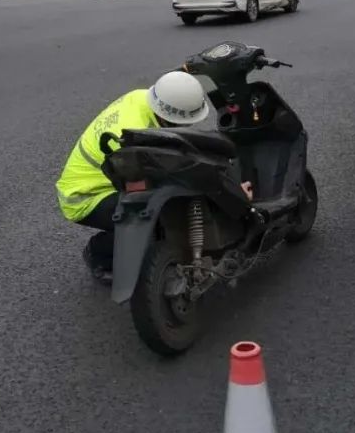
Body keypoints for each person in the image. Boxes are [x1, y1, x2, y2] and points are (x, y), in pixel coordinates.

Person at [56, 71, 245, 283]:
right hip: (85, 196)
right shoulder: (133, 136)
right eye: (180, 123)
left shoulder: (143, 97)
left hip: (111, 178)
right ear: (166, 115)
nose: (184, 127)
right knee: (150, 218)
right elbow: (163, 175)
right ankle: (99, 251)